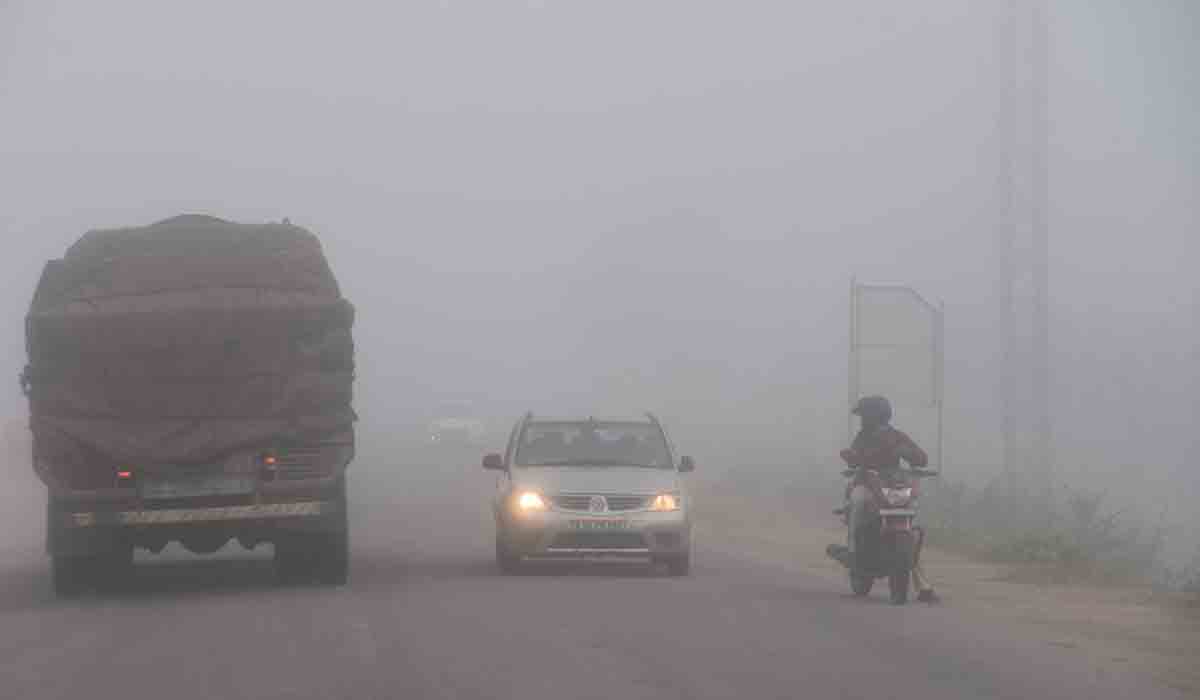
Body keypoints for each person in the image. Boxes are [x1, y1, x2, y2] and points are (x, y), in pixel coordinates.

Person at [839, 395, 939, 603]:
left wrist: (909, 453)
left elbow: (921, 457)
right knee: (857, 501)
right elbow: (853, 457)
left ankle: (923, 586)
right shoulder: (862, 437)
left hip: (892, 486)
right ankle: (854, 550)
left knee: (909, 532)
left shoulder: (897, 436)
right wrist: (852, 457)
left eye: (865, 415)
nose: (863, 419)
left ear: (876, 415)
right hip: (867, 484)